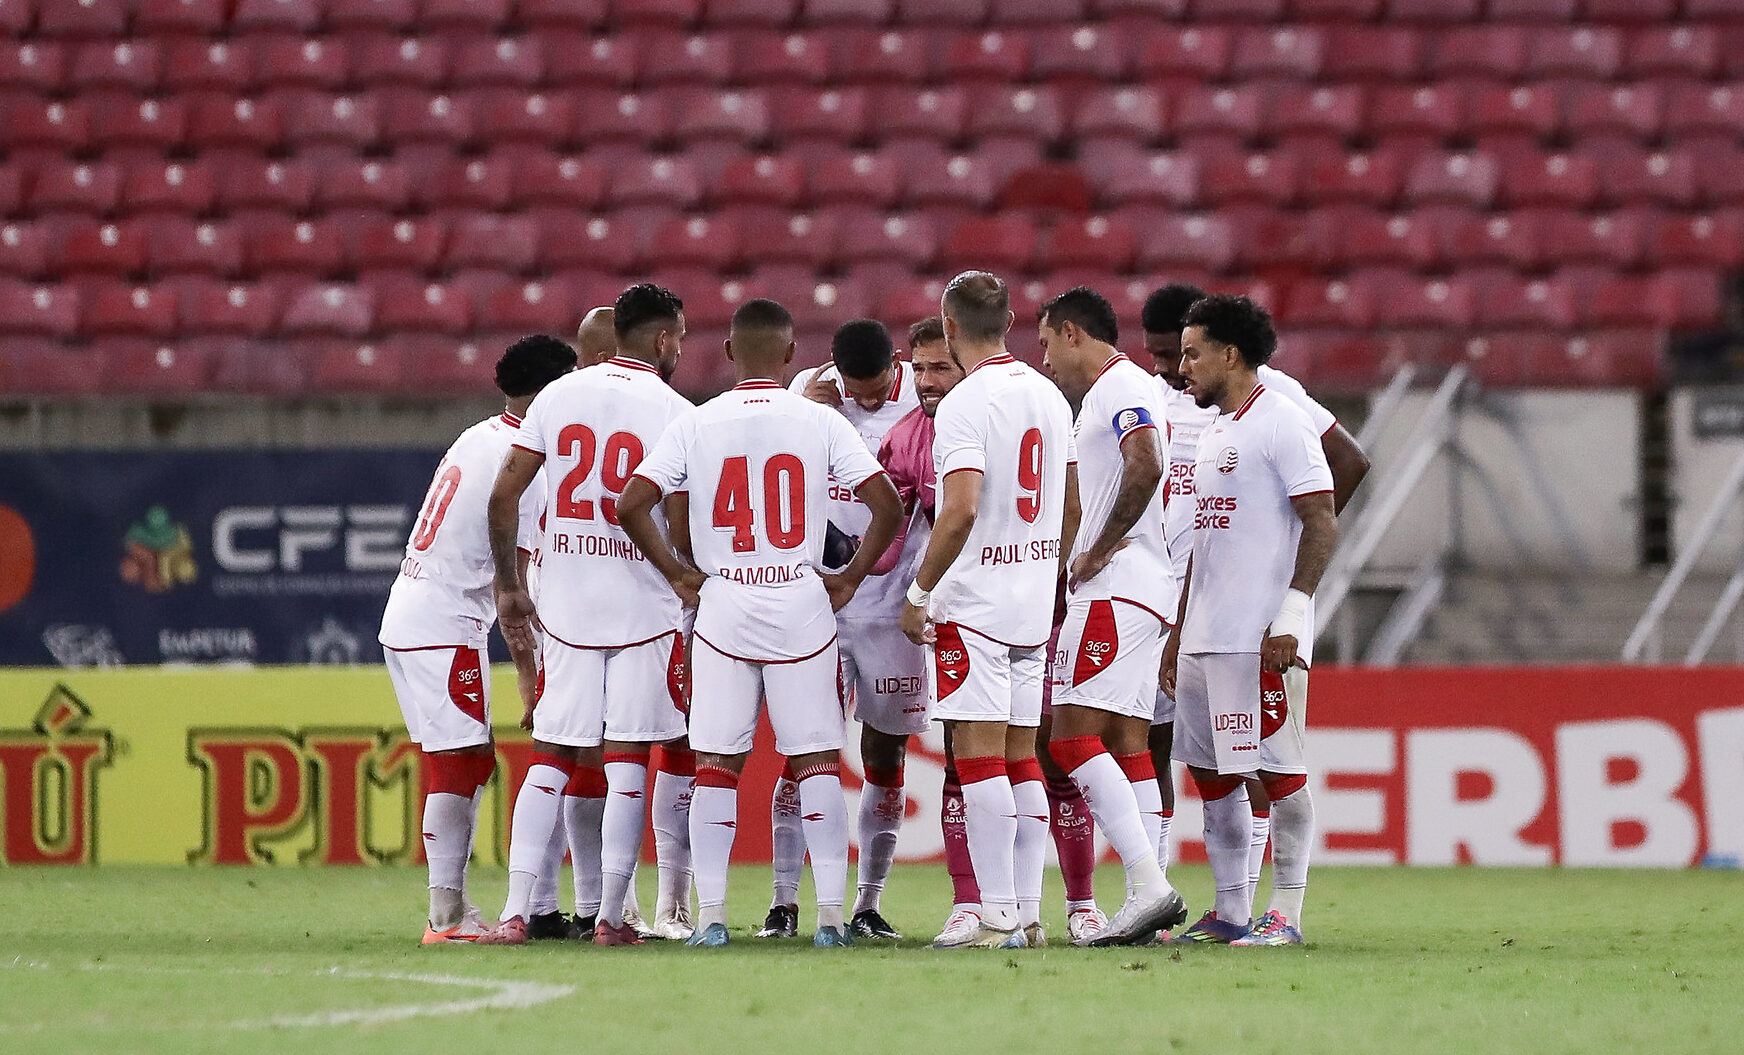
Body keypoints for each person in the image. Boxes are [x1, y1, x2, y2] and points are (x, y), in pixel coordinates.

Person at [618, 297, 904, 948]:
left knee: (717, 761)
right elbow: (885, 505)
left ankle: (712, 916)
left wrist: (677, 573)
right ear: (789, 355)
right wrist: (851, 577)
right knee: (818, 763)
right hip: (801, 601)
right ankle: (832, 916)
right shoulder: (817, 419)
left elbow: (633, 502)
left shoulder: (697, 422)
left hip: (726, 603)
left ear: (727, 354)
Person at [1142, 283, 1369, 908]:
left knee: (1280, 774)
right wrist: (1180, 633)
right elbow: (1204, 544)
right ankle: (1231, 910)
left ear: (1231, 356)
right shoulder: (1217, 429)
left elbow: (1322, 519)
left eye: (1192, 355)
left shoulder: (1282, 421)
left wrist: (1291, 612)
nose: (1180, 368)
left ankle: (1285, 912)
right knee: (1212, 776)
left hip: (1260, 634)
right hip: (1205, 636)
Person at [481, 285, 694, 946]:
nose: (681, 349)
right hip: (644, 607)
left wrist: (511, 583)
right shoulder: (676, 411)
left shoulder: (556, 396)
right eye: (679, 338)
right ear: (661, 341)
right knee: (629, 755)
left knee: (550, 754)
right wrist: (684, 573)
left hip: (566, 601)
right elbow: (680, 529)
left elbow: (504, 494)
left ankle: (516, 909)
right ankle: (609, 917)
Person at [379, 334, 575, 944]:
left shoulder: (478, 434)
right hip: (444, 625)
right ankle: (446, 917)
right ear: (550, 392)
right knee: (461, 763)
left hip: (410, 612)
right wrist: (528, 671)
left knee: (464, 759)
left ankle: (453, 908)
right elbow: (510, 587)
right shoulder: (525, 463)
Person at [899, 272, 1075, 949]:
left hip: (973, 604)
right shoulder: (1048, 395)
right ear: (1009, 322)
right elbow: (1070, 502)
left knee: (976, 761)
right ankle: (1027, 909)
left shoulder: (966, 405)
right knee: (1022, 757)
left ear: (949, 326)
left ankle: (996, 911)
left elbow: (962, 507)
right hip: (1033, 602)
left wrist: (919, 592)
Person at [755, 319, 923, 942]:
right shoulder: (808, 391)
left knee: (885, 753)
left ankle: (869, 904)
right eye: (858, 388)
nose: (869, 398)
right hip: (819, 605)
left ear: (895, 367)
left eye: (878, 386)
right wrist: (802, 410)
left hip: (890, 607)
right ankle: (781, 902)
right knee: (806, 751)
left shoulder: (921, 399)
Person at [1036, 287, 1189, 947]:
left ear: (1073, 333)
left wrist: (1096, 548)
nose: (1045, 361)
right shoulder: (1117, 389)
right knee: (1129, 746)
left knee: (1069, 740)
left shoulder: (1119, 385)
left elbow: (1146, 460)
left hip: (1116, 588)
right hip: (1146, 589)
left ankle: (1149, 882)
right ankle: (1145, 897)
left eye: (1046, 343)